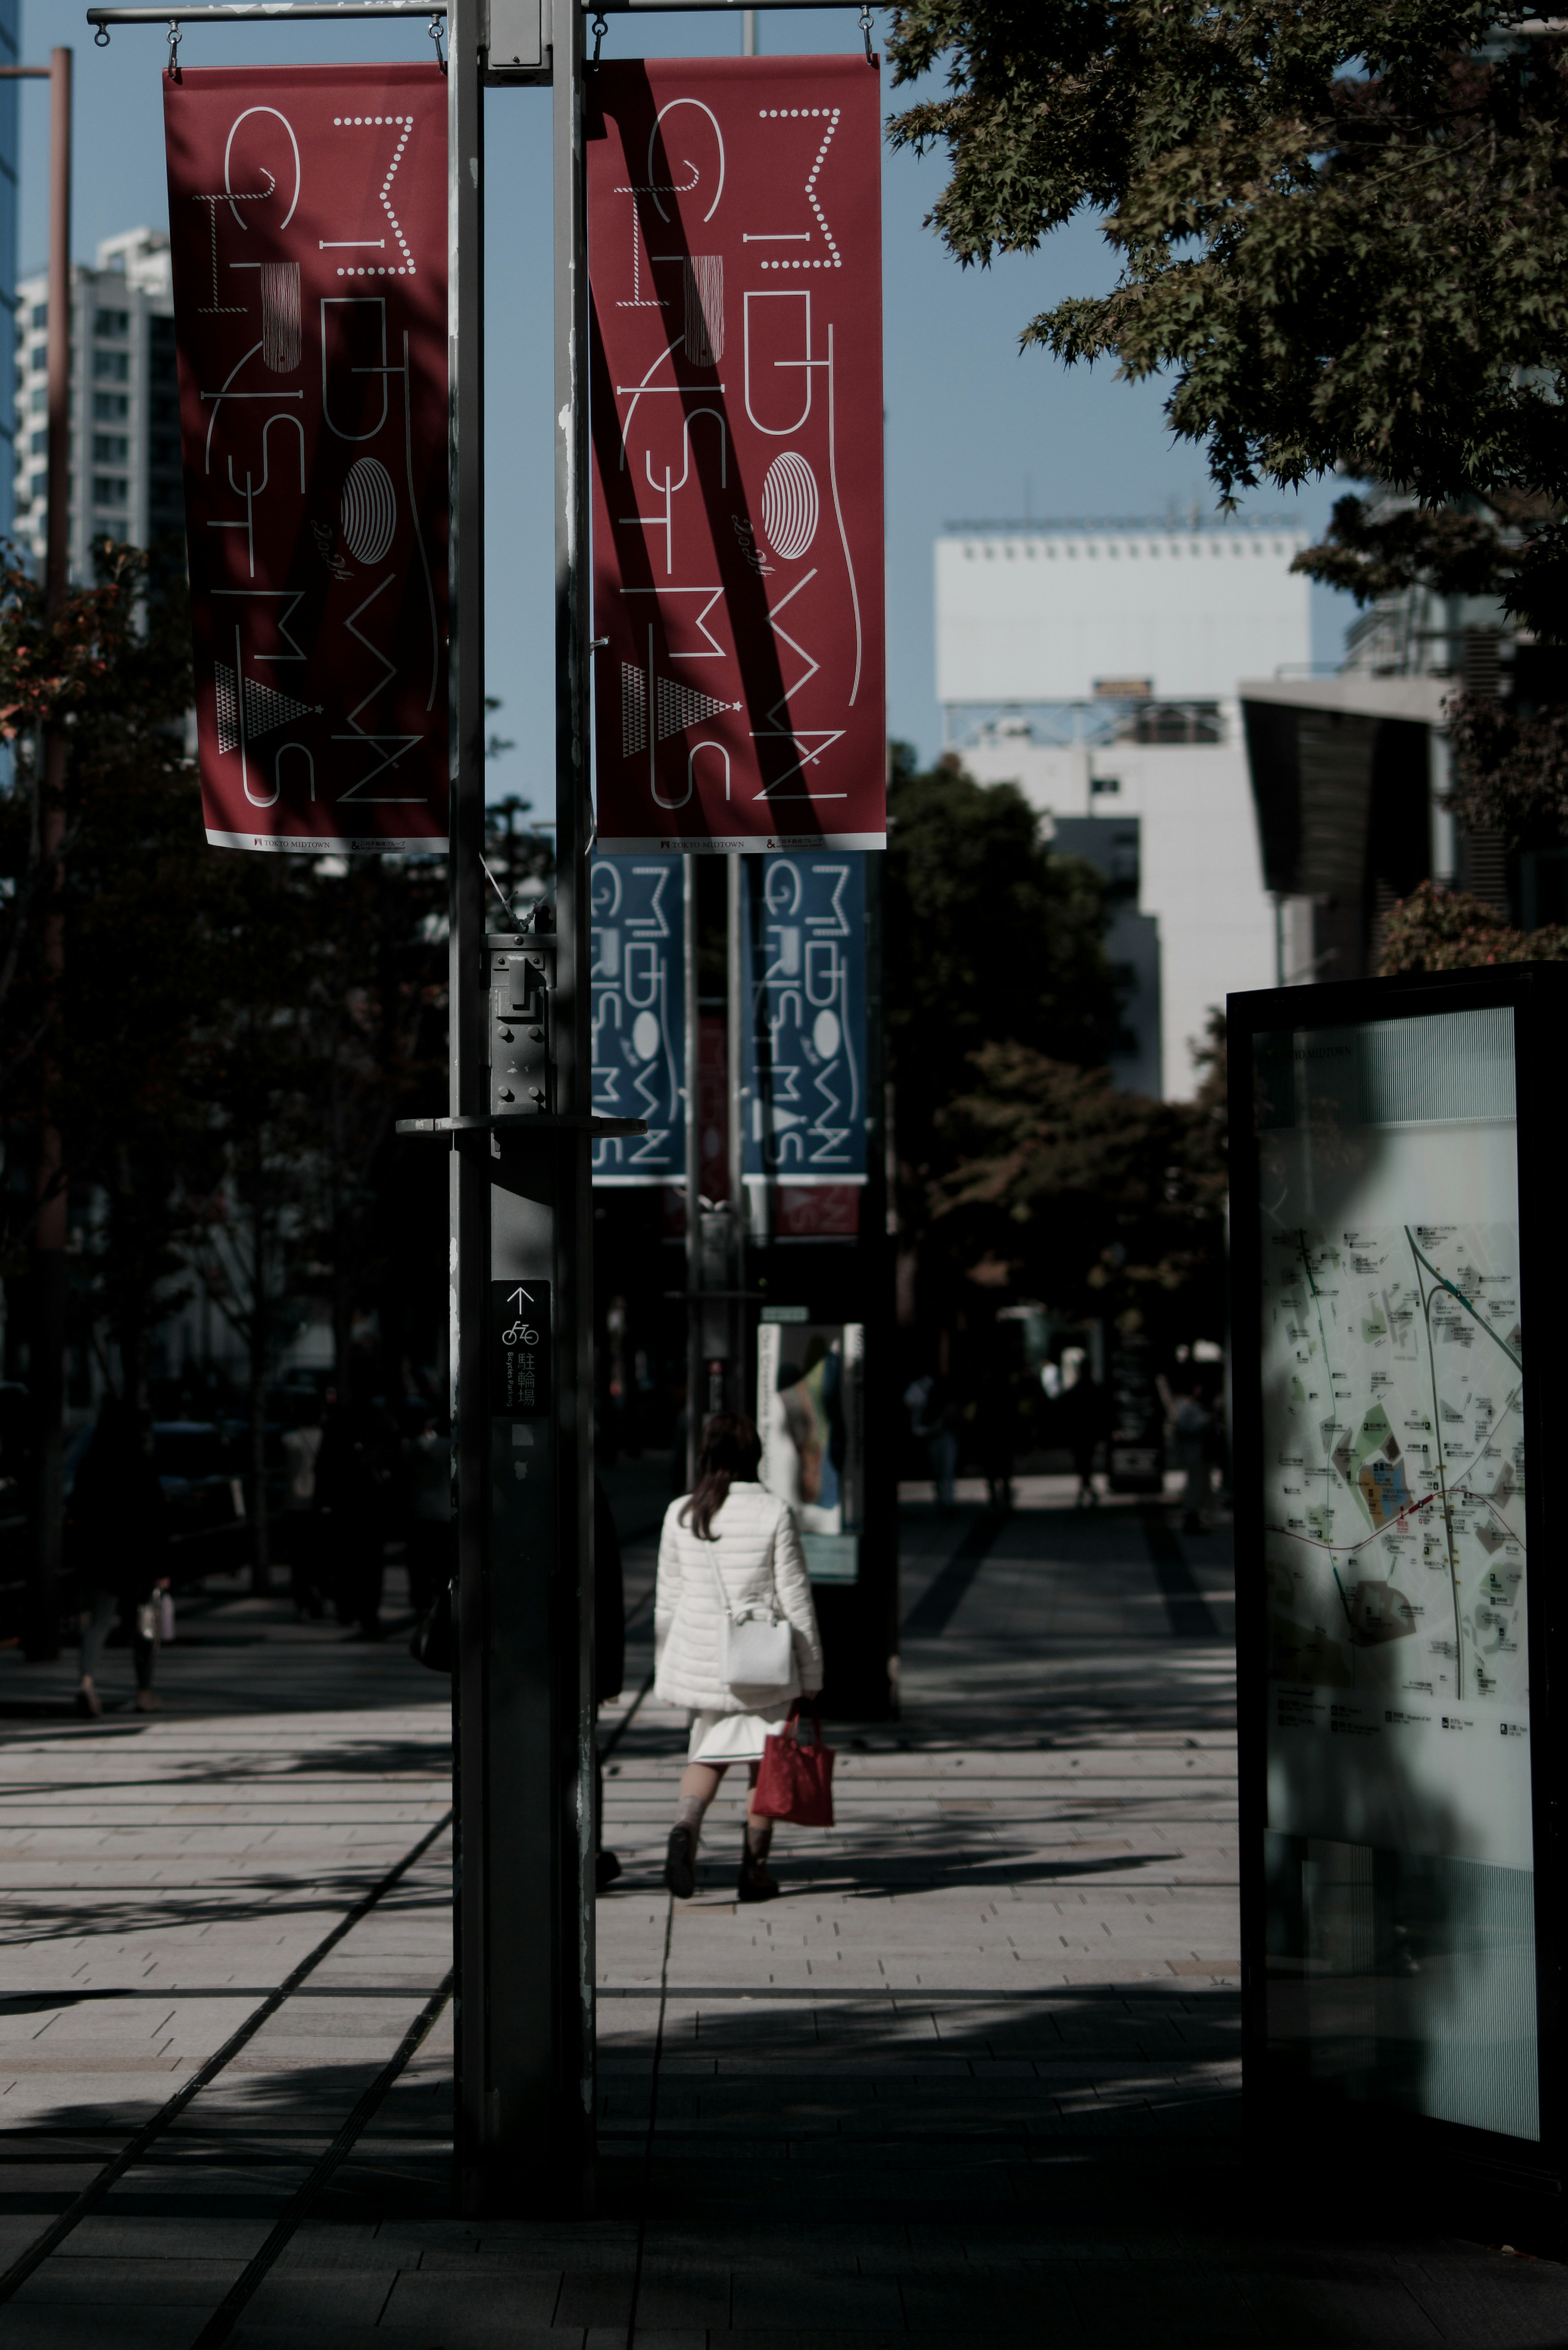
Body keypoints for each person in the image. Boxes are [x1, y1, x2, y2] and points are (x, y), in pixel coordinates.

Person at [655, 1412, 823, 1904]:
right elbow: (795, 1598)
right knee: (764, 1765)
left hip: (705, 1660)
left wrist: (668, 1664)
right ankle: (755, 1871)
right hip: (762, 1661)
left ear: (705, 1455)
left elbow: (669, 1599)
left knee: (707, 1749)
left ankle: (686, 1825)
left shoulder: (682, 1513)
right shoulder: (773, 1512)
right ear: (755, 1455)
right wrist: (811, 1670)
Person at [67, 1397, 170, 1718]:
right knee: (144, 1626)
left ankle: (86, 1681)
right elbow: (157, 1519)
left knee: (98, 1623)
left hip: (101, 1558)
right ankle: (144, 1691)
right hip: (138, 1559)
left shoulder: (90, 1465)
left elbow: (77, 1510)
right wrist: (162, 1566)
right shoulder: (142, 1465)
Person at [594, 1476, 626, 1893]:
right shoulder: (584, 1483)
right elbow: (606, 1580)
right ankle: (590, 1851)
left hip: (508, 1656)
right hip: (573, 1655)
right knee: (582, 1751)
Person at [399, 1411, 453, 1623]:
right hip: (443, 1512)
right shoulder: (447, 1446)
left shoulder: (408, 1449)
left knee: (419, 1562)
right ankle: (443, 1597)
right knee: (442, 1561)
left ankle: (421, 1601)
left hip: (418, 1511)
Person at [281, 1399, 325, 1622]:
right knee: (319, 1556)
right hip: (319, 1505)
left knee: (299, 1559)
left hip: (295, 1505)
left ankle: (302, 1602)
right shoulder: (326, 1439)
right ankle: (319, 1594)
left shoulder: (290, 1440)